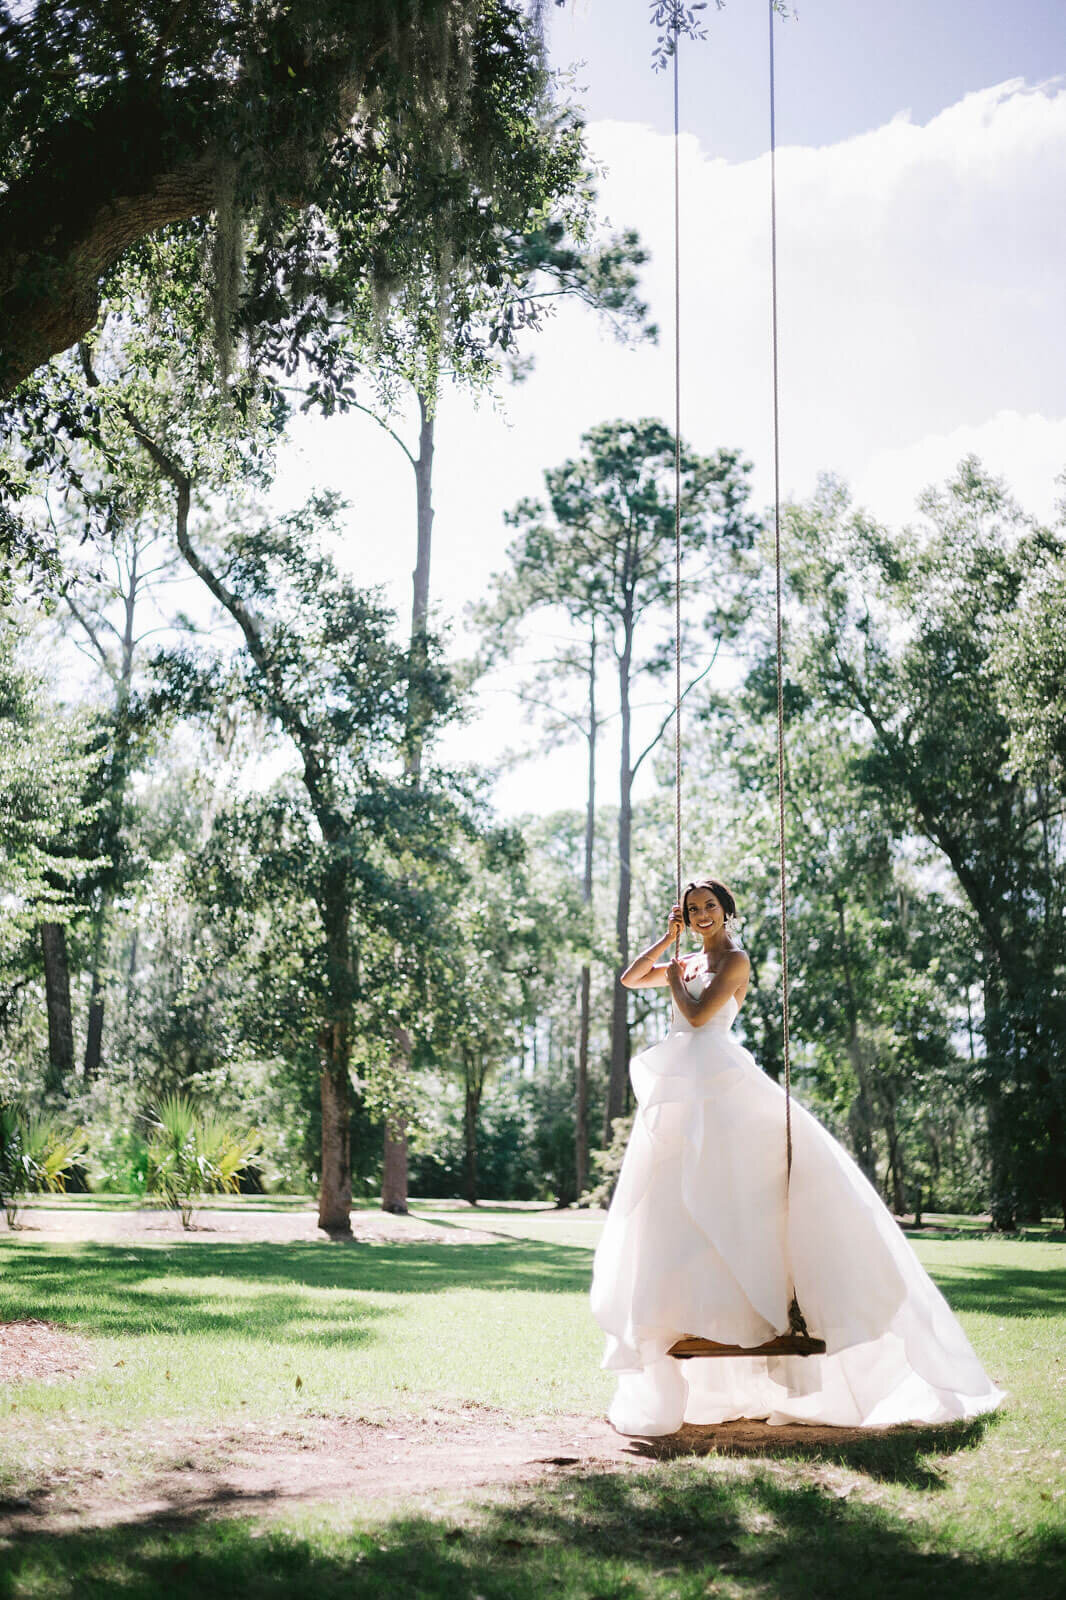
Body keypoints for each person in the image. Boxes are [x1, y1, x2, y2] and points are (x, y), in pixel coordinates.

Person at [590, 877, 1005, 1436]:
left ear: (727, 910)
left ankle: (783, 1314)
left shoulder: (735, 961)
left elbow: (694, 1017)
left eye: (709, 906)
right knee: (677, 1202)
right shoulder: (683, 957)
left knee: (742, 1191)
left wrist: (673, 979)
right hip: (680, 1091)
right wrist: (667, 944)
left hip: (719, 1080)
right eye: (692, 910)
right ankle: (694, 1316)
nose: (702, 914)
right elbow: (628, 977)